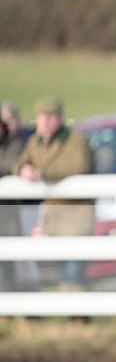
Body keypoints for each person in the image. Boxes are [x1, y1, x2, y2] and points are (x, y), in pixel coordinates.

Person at [13, 95, 93, 290]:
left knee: (74, 270)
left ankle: (79, 314)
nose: (45, 122)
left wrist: (43, 173)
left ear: (60, 118)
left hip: (76, 215)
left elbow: (79, 166)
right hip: (53, 215)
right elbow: (19, 162)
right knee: (60, 269)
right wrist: (24, 169)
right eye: (42, 117)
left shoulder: (76, 140)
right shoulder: (35, 142)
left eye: (50, 117)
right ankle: (72, 311)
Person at [0, 101, 37, 290]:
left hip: (25, 206)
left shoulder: (25, 139)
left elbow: (12, 165)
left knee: (26, 257)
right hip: (8, 211)